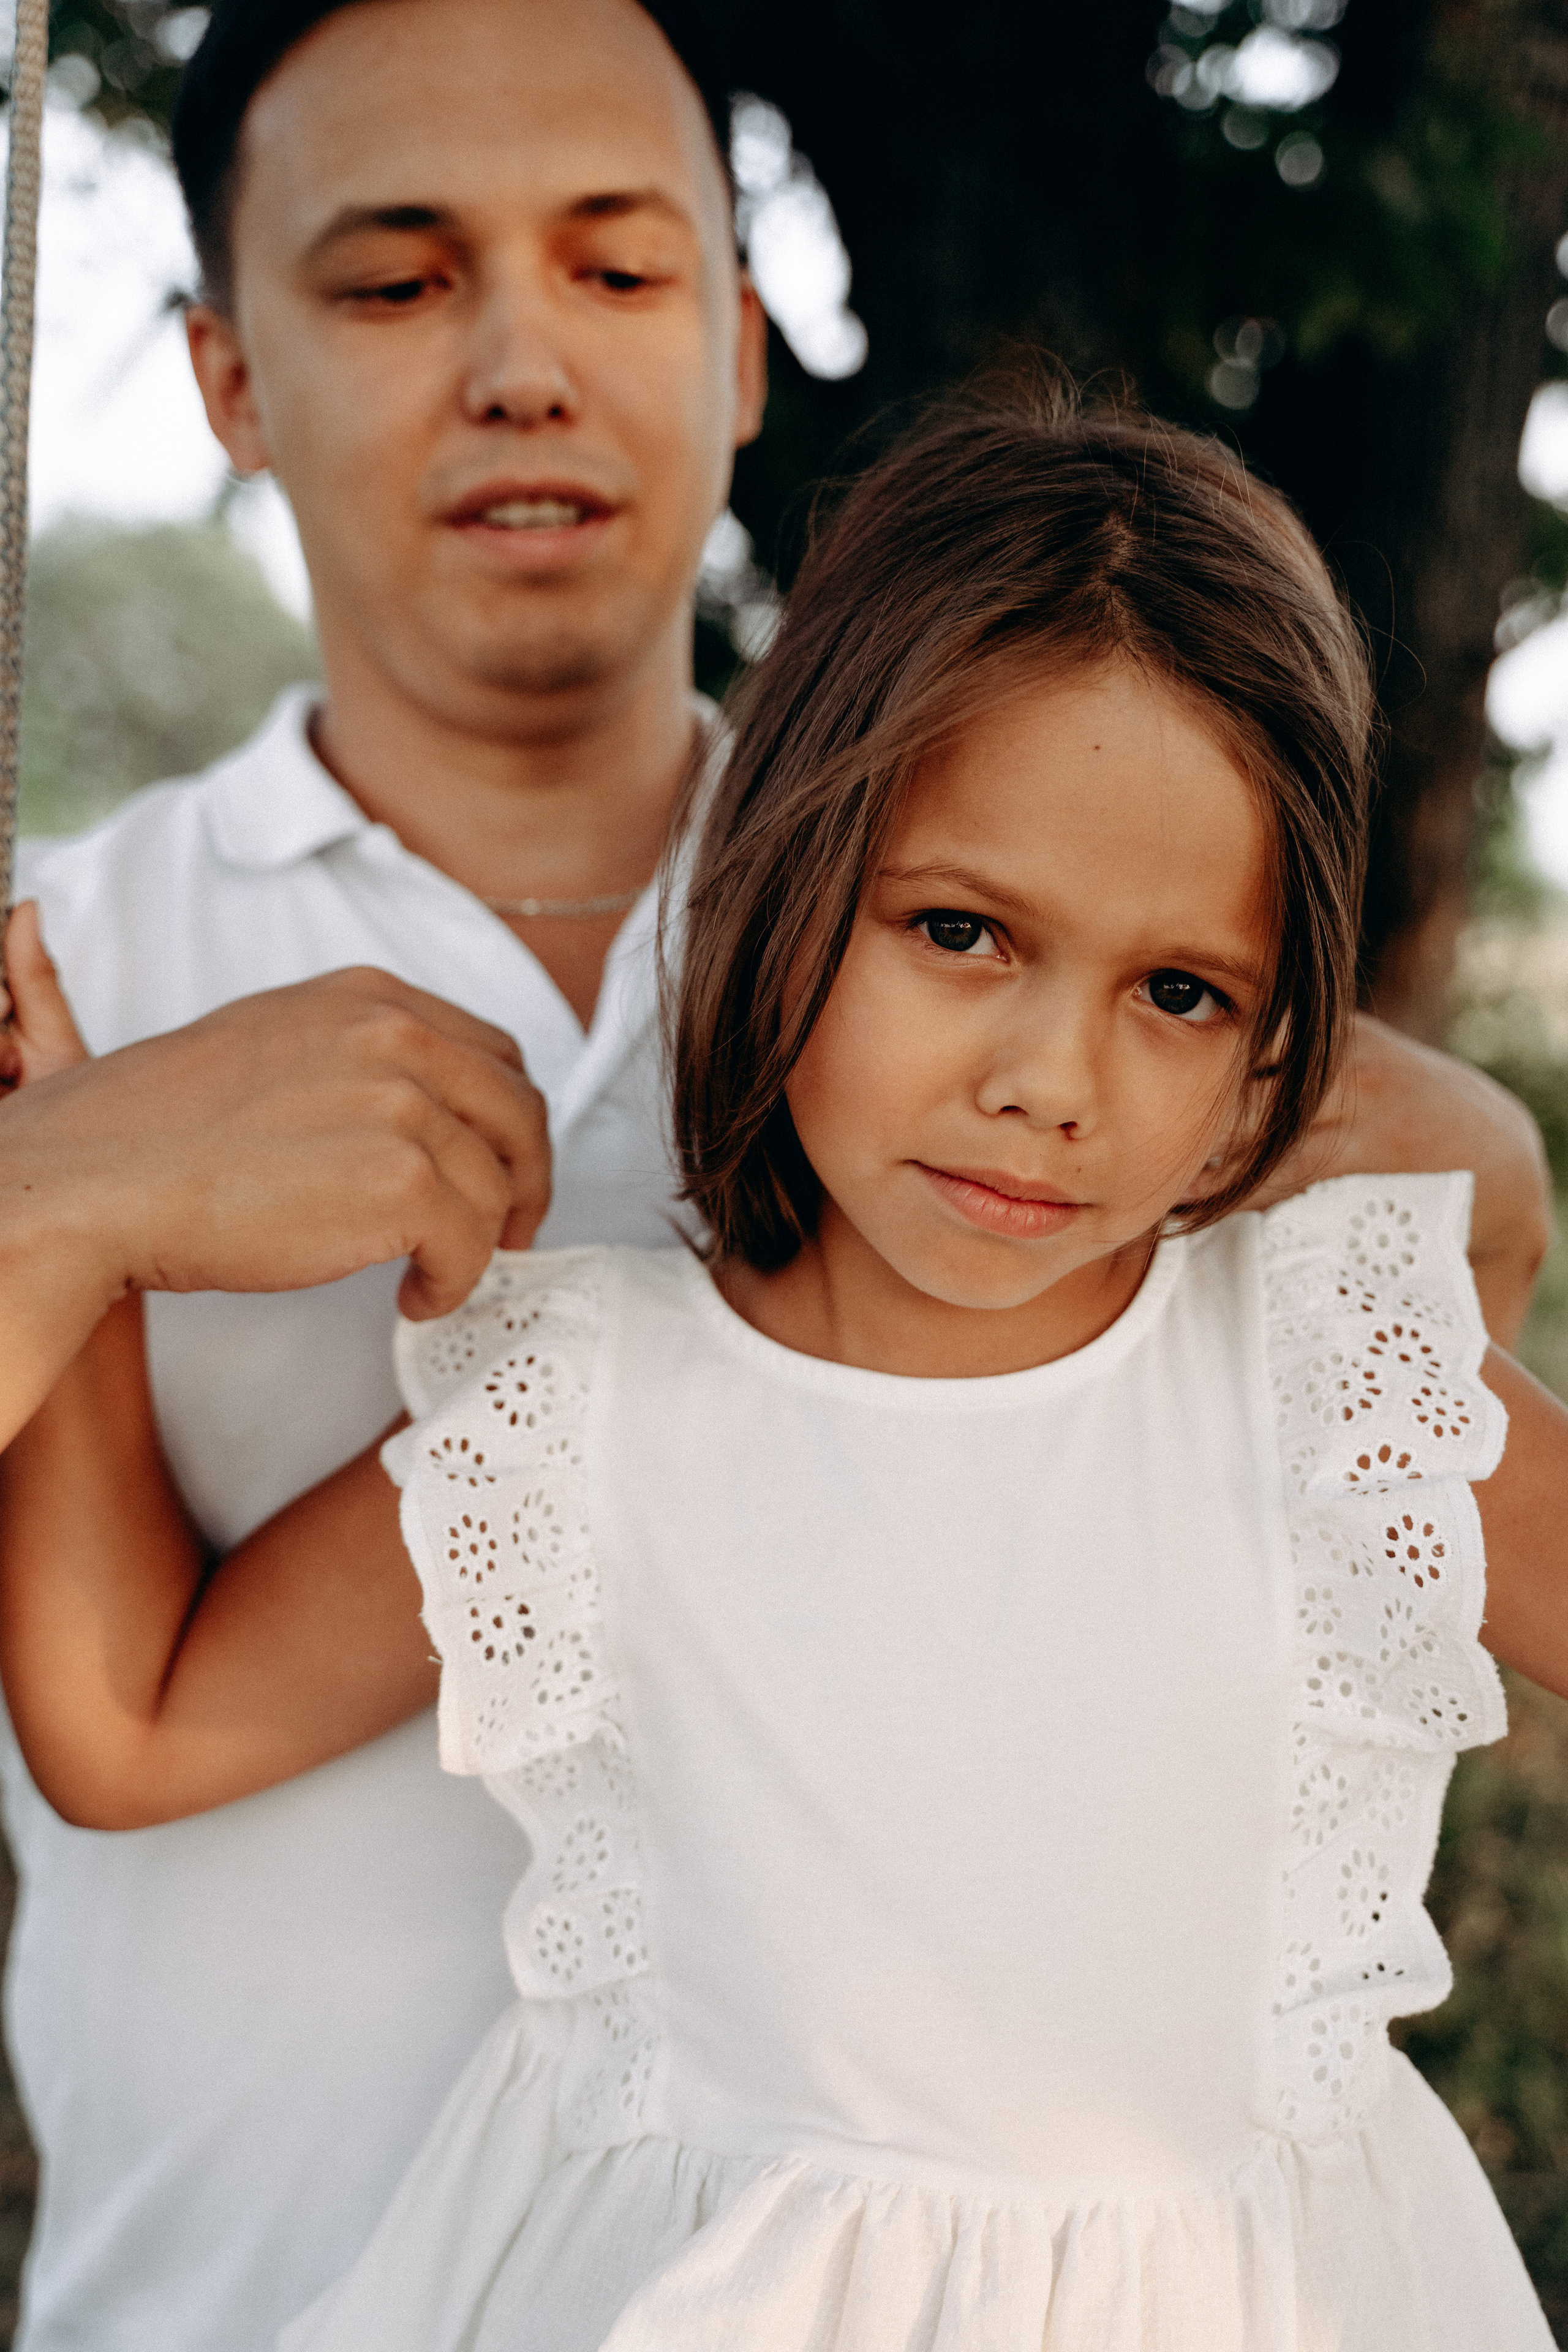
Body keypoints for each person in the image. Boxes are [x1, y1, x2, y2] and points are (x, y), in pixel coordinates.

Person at [0, 3, 1547, 2348]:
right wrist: (60, 1194)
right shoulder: (82, 993)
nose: (524, 369)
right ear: (226, 373)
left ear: (741, 344)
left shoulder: (1052, 822)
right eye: (400, 278)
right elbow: (124, 1719)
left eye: (617, 267)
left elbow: (1427, 1337)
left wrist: (1469, 1180)